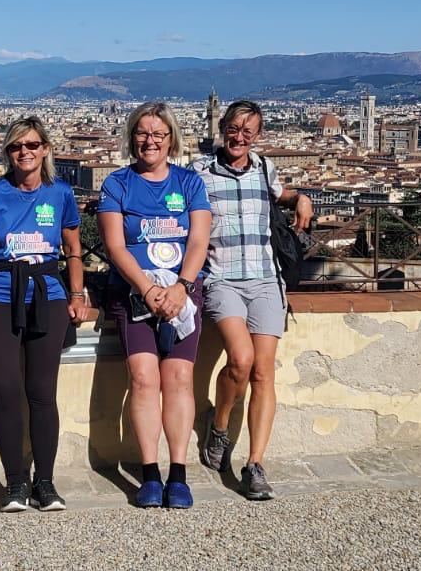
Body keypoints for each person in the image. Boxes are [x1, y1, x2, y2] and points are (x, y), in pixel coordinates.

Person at [0, 116, 84, 513]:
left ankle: (45, 481)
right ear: (7, 152)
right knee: (7, 391)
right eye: (15, 146)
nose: (23, 152)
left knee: (42, 394)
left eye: (30, 144)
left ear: (44, 148)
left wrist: (77, 294)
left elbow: (73, 248)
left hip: (48, 292)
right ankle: (15, 482)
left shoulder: (61, 193)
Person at [189, 100, 314, 501]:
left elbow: (282, 194)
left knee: (263, 373)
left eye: (249, 131)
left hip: (266, 281)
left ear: (258, 136)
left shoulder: (264, 168)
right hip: (222, 279)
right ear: (221, 127)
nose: (240, 137)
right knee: (240, 361)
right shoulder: (198, 172)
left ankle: (255, 464)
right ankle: (221, 427)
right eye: (234, 128)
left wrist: (301, 198)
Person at [97, 102, 212, 509]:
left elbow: (198, 240)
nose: (150, 140)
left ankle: (177, 474)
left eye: (158, 134)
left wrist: (182, 287)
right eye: (143, 133)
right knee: (143, 378)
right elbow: (114, 245)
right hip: (133, 290)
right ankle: (149, 473)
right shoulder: (117, 183)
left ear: (171, 140)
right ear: (133, 138)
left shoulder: (189, 182)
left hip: (182, 292)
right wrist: (147, 289)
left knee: (179, 378)